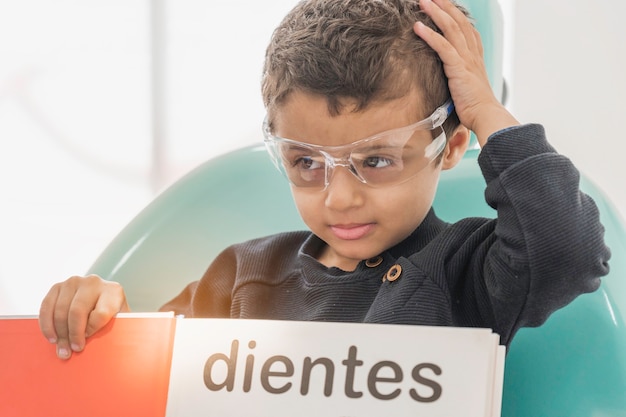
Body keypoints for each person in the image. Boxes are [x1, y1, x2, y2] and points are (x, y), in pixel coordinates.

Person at [39, 0, 610, 360]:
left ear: (451, 146)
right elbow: (149, 382)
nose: (340, 198)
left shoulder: (466, 270)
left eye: (377, 160)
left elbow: (569, 248)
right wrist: (102, 318)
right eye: (306, 163)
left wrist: (483, 109)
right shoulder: (241, 277)